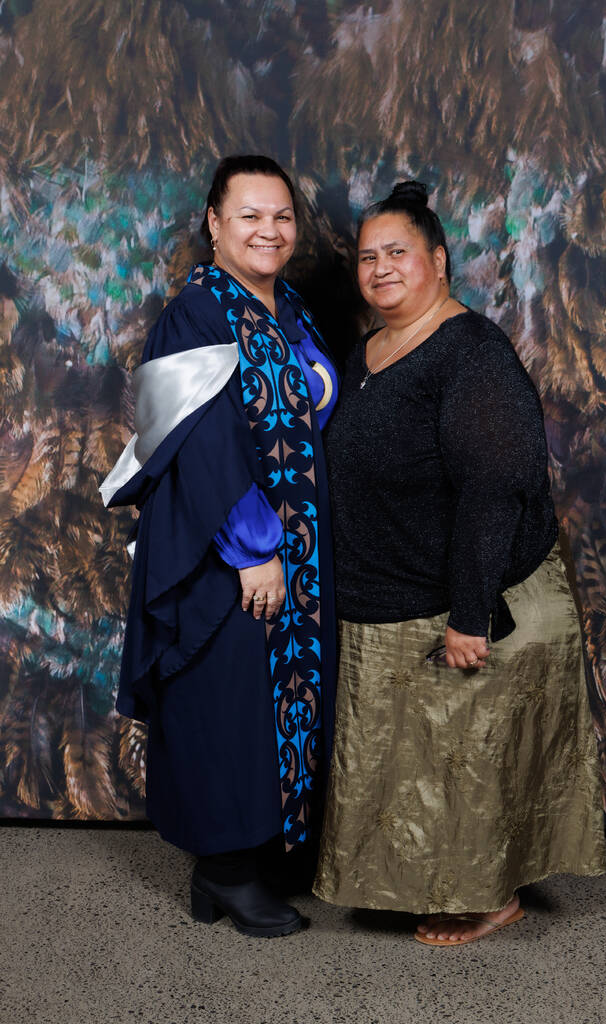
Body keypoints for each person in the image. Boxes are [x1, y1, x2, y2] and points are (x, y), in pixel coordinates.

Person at [313, 181, 605, 946]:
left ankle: (488, 898)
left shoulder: (470, 353)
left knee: (458, 761)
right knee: (410, 760)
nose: (379, 269)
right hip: (383, 592)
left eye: (397, 253)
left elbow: (493, 487)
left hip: (460, 596)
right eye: (367, 257)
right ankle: (419, 881)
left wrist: (469, 614)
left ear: (438, 261)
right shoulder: (369, 347)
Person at [101, 155, 339, 938]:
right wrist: (254, 548)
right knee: (227, 700)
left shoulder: (288, 306)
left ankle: (257, 858)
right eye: (249, 215)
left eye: (281, 215)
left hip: (297, 546)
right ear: (213, 223)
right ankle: (227, 873)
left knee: (275, 700)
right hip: (226, 548)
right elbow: (202, 442)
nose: (268, 230)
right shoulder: (197, 313)